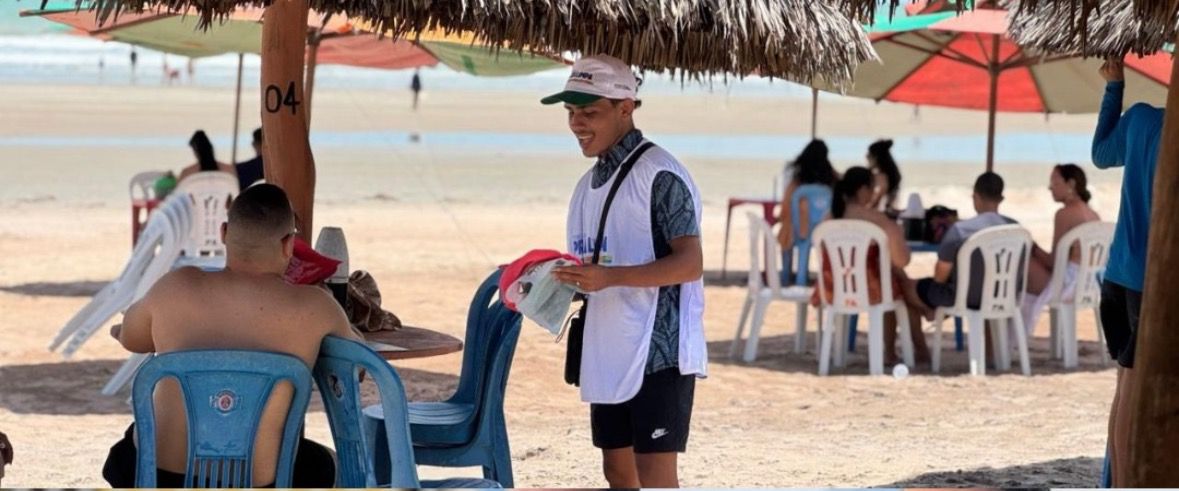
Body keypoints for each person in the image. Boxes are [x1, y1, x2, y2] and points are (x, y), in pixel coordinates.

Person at [101, 184, 363, 487]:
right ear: (289, 244)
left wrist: (123, 329)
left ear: (224, 232)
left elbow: (132, 339)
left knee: (126, 448)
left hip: (158, 475)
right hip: (259, 481)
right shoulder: (315, 306)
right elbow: (355, 369)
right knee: (325, 463)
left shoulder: (175, 287)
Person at [542, 54, 706, 488]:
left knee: (654, 475)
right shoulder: (586, 186)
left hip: (660, 353)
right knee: (616, 470)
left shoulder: (659, 174)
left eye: (590, 112)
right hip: (607, 346)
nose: (577, 123)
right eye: (571, 113)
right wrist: (542, 279)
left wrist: (609, 278)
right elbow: (592, 265)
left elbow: (691, 263)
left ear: (626, 108)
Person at [1091, 57, 1163, 486]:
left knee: (1124, 388)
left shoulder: (1139, 120)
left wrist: (1114, 87)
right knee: (1133, 392)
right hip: (1145, 284)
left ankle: (1114, 482)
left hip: (1115, 277)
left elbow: (1100, 154)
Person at [815, 167, 930, 366]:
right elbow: (902, 259)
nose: (873, 193)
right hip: (872, 291)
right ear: (862, 190)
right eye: (872, 189)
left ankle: (903, 350)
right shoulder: (878, 220)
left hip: (833, 289)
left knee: (895, 280)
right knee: (898, 286)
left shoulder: (829, 218)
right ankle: (904, 351)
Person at [915, 172, 1048, 312]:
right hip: (1004, 296)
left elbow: (940, 275)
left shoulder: (960, 230)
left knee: (921, 287)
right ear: (1001, 198)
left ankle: (923, 323)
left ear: (975, 196)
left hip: (965, 299)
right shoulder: (1016, 229)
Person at [1019, 164, 1101, 332]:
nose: (1050, 188)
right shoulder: (1093, 214)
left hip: (1070, 284)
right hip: (1091, 283)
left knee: (1022, 264)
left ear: (1070, 184)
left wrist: (1032, 246)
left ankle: (1011, 337)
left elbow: (1054, 263)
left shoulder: (1064, 213)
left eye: (1054, 182)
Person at [776, 139, 839, 283]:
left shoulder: (797, 180)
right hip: (825, 232)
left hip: (797, 231)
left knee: (786, 231)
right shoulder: (830, 178)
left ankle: (787, 276)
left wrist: (782, 218)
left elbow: (785, 207)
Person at [867, 139, 902, 213]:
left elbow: (876, 202)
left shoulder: (881, 177)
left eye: (869, 155)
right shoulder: (892, 175)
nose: (866, 157)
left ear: (876, 158)